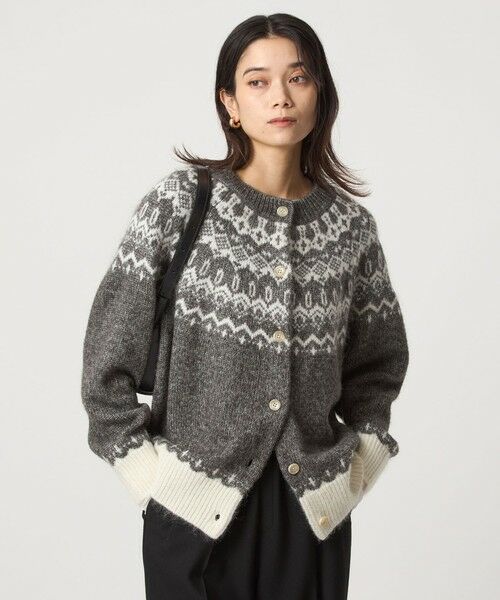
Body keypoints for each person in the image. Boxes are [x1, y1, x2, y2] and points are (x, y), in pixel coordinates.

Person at [80, 12, 410, 600]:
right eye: (257, 81)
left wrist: (357, 466)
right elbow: (107, 359)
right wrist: (149, 477)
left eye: (298, 78)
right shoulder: (180, 204)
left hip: (311, 514)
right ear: (229, 103)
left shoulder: (350, 230)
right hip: (190, 509)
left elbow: (377, 367)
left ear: (320, 94)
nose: (280, 96)